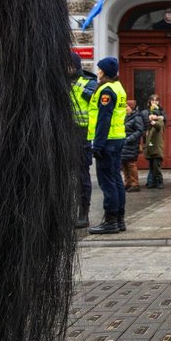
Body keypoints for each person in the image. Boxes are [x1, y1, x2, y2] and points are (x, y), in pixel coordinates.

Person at [87, 56, 128, 235]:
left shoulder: (106, 91)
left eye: (99, 69)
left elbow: (104, 120)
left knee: (107, 182)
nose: (97, 72)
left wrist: (98, 145)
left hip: (107, 142)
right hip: (117, 139)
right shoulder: (118, 88)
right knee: (116, 179)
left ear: (105, 72)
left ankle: (110, 221)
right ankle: (119, 219)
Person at [69, 51, 98, 228]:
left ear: (74, 66)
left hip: (82, 136)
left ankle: (83, 214)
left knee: (81, 177)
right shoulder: (62, 83)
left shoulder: (89, 84)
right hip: (66, 135)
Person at [143, 94, 167, 189]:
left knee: (156, 165)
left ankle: (158, 181)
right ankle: (151, 181)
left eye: (156, 100)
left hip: (156, 145)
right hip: (150, 144)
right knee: (151, 164)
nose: (154, 102)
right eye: (152, 100)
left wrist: (155, 120)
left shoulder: (159, 119)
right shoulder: (145, 113)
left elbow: (160, 125)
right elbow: (144, 125)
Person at [121, 99, 145, 192]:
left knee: (131, 164)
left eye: (126, 107)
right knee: (124, 164)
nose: (125, 109)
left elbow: (140, 131)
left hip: (131, 144)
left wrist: (129, 139)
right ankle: (127, 183)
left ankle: (135, 184)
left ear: (131, 108)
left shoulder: (136, 117)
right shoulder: (123, 117)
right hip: (123, 143)